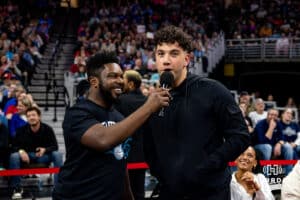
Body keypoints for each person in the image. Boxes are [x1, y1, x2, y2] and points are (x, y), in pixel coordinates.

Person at [143, 25, 250, 200]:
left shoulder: (213, 90)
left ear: (187, 59)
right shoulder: (152, 101)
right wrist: (161, 173)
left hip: (210, 192)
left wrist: (209, 164)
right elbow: (148, 145)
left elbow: (240, 136)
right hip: (170, 192)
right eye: (161, 54)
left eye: (174, 53)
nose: (166, 60)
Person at [52, 51, 170, 199]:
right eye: (112, 76)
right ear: (94, 82)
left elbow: (120, 164)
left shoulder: (118, 116)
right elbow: (103, 140)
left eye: (121, 76)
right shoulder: (77, 113)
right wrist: (148, 106)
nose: (120, 80)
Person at [9, 106, 63, 199]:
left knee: (57, 154)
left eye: (33, 115)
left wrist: (45, 150)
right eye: (29, 116)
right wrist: (21, 151)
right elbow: (13, 146)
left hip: (43, 156)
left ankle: (59, 188)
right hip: (27, 157)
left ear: (39, 117)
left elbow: (55, 146)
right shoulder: (21, 130)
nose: (31, 117)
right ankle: (17, 188)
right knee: (14, 156)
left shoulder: (48, 129)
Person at [115, 70, 147, 200]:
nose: (121, 82)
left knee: (123, 192)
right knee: (139, 191)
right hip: (143, 154)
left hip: (123, 153)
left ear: (131, 84)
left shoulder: (120, 101)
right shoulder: (147, 101)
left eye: (124, 80)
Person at [253, 108, 294, 174]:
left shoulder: (277, 123)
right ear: (267, 115)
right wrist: (271, 128)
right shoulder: (260, 124)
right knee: (268, 147)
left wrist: (279, 144)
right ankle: (266, 175)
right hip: (258, 146)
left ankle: (288, 174)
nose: (273, 117)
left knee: (288, 147)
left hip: (272, 146)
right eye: (271, 114)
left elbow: (282, 137)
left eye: (275, 115)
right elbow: (263, 141)